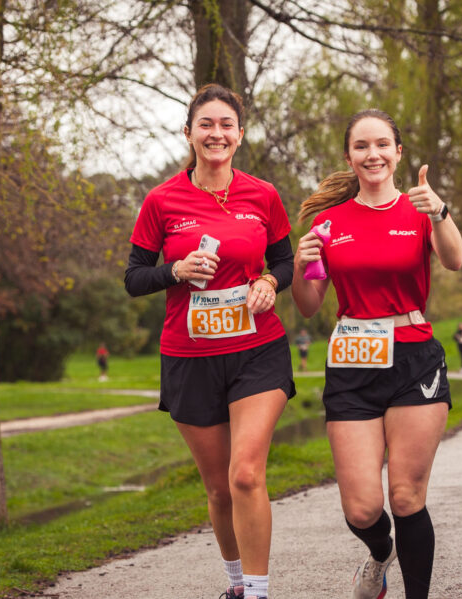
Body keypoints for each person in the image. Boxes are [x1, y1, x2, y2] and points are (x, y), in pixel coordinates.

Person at [123, 83, 296, 599]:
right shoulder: (161, 200)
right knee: (220, 488)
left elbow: (286, 263)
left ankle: (260, 594)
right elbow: (134, 278)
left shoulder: (262, 194)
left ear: (239, 136)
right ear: (189, 133)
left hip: (258, 350)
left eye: (226, 125)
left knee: (245, 474)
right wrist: (173, 270)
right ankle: (238, 585)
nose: (216, 133)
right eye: (206, 124)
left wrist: (268, 282)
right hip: (190, 356)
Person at [291, 109, 462, 599]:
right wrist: (304, 267)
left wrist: (441, 211)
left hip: (414, 360)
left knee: (406, 496)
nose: (373, 154)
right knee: (362, 509)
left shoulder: (420, 211)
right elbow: (307, 308)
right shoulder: (327, 224)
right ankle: (379, 551)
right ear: (350, 156)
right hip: (352, 363)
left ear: (398, 153)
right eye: (362, 146)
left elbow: (453, 259)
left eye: (383, 144)